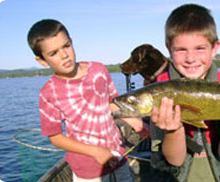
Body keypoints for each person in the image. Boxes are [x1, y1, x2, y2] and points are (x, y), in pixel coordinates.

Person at [149, 4, 220, 182]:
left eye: (200, 48)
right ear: (168, 49)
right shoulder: (161, 92)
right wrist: (173, 130)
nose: (190, 58)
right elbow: (175, 160)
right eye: (181, 50)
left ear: (215, 48)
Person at [27, 19, 147, 182]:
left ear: (72, 42)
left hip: (119, 156)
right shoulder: (49, 93)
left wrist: (136, 123)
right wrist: (96, 151)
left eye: (66, 46)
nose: (64, 55)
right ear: (41, 60)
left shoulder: (99, 70)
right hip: (88, 171)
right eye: (53, 53)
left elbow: (112, 104)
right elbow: (55, 137)